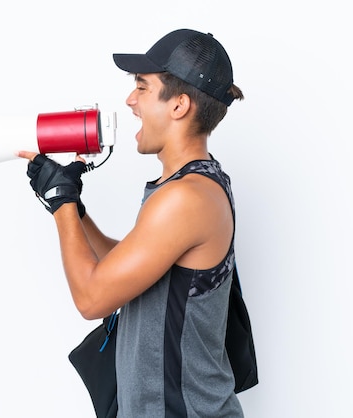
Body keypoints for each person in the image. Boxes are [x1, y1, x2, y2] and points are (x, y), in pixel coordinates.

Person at [17, 28, 245, 417]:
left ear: (179, 106)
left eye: (142, 87)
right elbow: (128, 267)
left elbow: (91, 299)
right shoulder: (183, 187)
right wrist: (77, 210)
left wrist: (61, 203)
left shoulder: (186, 199)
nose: (130, 99)